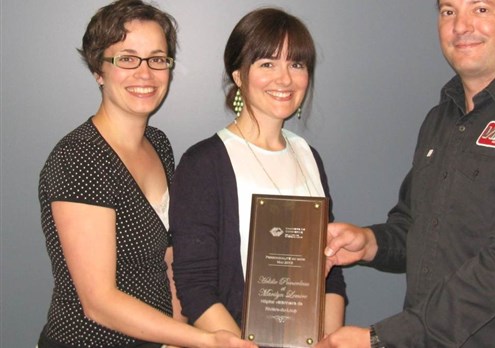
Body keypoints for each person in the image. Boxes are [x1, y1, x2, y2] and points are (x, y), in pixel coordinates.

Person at [317, 0, 495, 347]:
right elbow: (416, 229)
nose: (461, 26)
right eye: (449, 11)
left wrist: (382, 339)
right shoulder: (441, 119)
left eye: (480, 9)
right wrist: (369, 243)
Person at [37, 1, 257, 347]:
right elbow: (100, 303)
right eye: (127, 58)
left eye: (157, 59)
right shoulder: (79, 158)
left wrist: (177, 331)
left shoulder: (158, 143)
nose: (145, 73)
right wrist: (205, 340)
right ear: (98, 69)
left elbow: (171, 258)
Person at [169, 7, 347, 339]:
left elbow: (330, 274)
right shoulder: (204, 163)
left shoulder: (308, 157)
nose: (285, 79)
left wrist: (327, 343)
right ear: (238, 75)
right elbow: (195, 285)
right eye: (267, 64)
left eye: (297, 64)